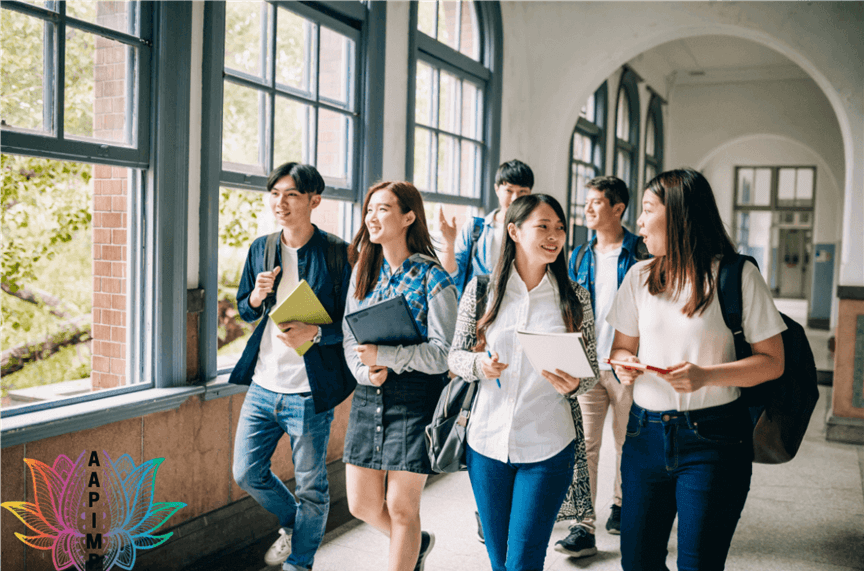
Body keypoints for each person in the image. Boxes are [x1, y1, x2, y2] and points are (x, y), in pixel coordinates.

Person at [608, 169, 786, 571]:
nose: (638, 220)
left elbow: (773, 362)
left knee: (699, 564)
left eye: (648, 209)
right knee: (637, 561)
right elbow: (621, 349)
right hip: (643, 434)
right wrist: (625, 367)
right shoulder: (638, 277)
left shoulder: (737, 276)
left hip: (714, 438)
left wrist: (706, 376)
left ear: (680, 216)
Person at [448, 194, 599, 571]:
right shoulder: (481, 290)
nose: (554, 236)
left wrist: (573, 384)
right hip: (486, 444)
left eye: (560, 228)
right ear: (514, 231)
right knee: (499, 560)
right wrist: (480, 365)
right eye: (543, 226)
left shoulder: (575, 298)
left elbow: (590, 372)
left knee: (523, 561)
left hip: (548, 446)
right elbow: (455, 357)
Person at [229, 162, 355, 571]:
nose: (280, 203)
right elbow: (244, 310)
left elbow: (353, 323)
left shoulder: (338, 253)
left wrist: (316, 334)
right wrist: (254, 297)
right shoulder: (260, 248)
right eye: (275, 193)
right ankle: (293, 525)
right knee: (247, 472)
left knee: (313, 488)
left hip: (309, 389)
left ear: (314, 200)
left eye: (292, 195)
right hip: (264, 384)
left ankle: (299, 564)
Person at [342, 181, 458, 571]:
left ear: (408, 217)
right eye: (369, 210)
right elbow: (348, 334)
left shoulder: (434, 277)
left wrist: (386, 356)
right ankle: (416, 546)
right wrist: (364, 370)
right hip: (368, 395)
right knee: (361, 505)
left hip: (415, 397)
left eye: (383, 209)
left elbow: (444, 355)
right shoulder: (363, 270)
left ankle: (405, 551)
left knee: (401, 507)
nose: (372, 218)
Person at [555, 176, 649, 558]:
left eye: (596, 202)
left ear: (618, 208)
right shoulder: (578, 256)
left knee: (628, 443)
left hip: (628, 366)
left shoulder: (641, 253)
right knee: (584, 446)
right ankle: (583, 525)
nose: (587, 208)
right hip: (588, 367)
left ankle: (623, 506)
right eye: (587, 202)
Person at [439, 159, 534, 297]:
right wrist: (448, 246)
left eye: (522, 192)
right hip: (478, 311)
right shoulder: (476, 229)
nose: (515, 198)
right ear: (497, 189)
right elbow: (452, 277)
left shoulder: (535, 231)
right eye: (509, 190)